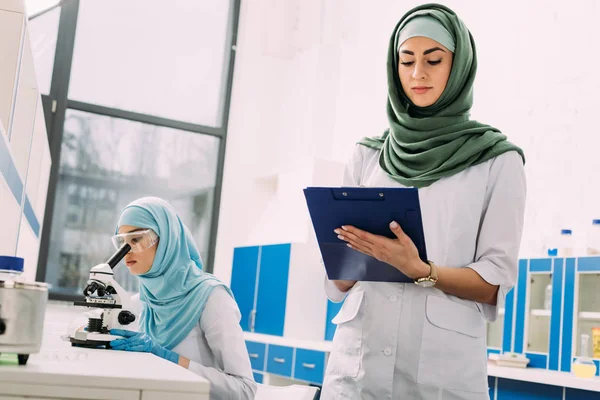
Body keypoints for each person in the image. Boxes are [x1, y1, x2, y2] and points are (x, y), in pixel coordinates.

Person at [321, 4, 526, 400]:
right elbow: (337, 282)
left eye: (433, 60)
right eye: (407, 60)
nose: (418, 74)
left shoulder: (497, 159)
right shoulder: (368, 155)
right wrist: (348, 259)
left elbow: (494, 279)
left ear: (459, 66)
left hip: (441, 376)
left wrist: (421, 270)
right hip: (356, 371)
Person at [108, 197, 256, 400]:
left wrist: (169, 359)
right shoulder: (141, 302)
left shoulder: (210, 297)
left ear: (167, 240)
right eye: (122, 242)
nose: (126, 252)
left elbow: (244, 390)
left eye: (136, 240)